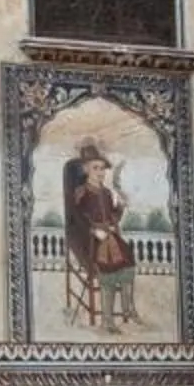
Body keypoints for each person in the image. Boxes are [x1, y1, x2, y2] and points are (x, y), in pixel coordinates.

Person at [63, 139, 139, 331]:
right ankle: (107, 320)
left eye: (103, 168)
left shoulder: (105, 193)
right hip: (88, 239)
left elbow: (113, 218)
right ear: (86, 169)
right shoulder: (81, 193)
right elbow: (76, 218)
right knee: (109, 267)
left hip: (109, 237)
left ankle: (128, 308)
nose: (101, 172)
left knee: (128, 257)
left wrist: (120, 207)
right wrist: (93, 230)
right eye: (96, 168)